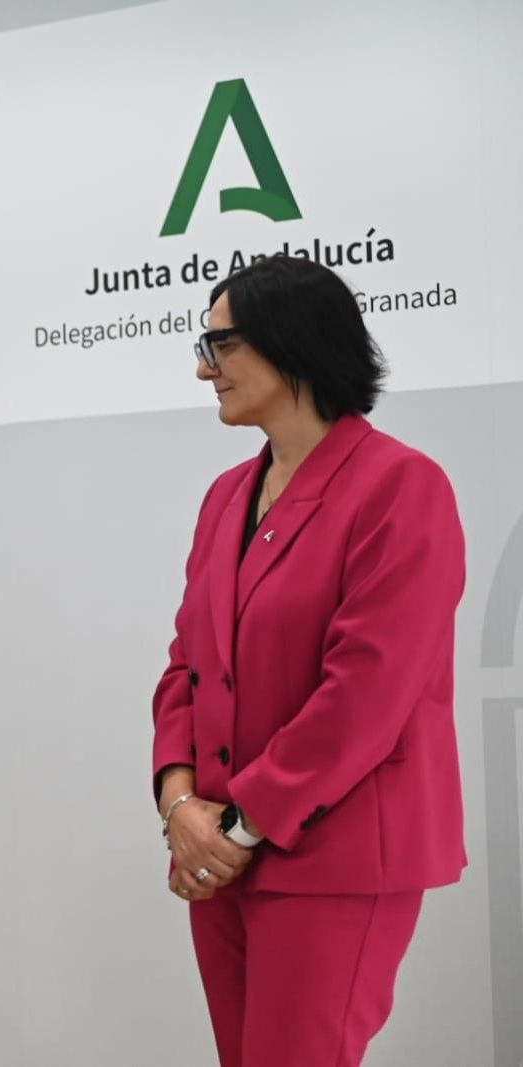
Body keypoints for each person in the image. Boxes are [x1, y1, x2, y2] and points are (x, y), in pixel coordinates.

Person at [151, 255, 466, 1066]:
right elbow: (187, 663)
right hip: (219, 853)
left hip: (331, 857)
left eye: (217, 343)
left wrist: (238, 826)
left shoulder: (402, 486)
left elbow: (366, 696)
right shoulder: (226, 494)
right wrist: (181, 803)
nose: (201, 366)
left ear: (288, 342)